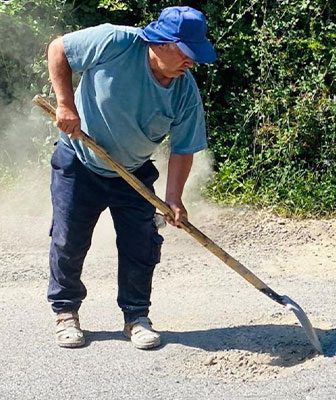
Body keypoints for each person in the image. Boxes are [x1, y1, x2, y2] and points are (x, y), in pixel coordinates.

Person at [46, 6, 216, 349]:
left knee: (141, 245)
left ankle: (136, 316)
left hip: (133, 174)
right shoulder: (116, 42)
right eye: (187, 54)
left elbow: (184, 148)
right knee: (69, 239)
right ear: (164, 44)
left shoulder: (185, 92)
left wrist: (174, 199)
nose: (192, 63)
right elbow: (58, 49)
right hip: (80, 160)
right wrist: (65, 104)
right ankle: (66, 312)